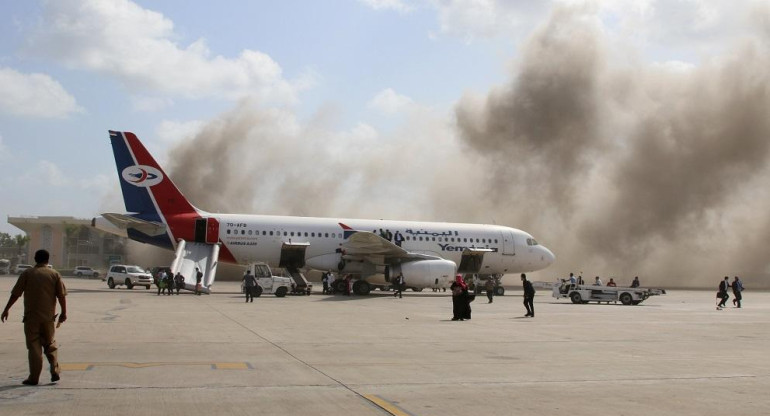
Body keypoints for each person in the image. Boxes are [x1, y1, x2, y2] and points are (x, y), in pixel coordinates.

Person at [1, 249, 67, 386]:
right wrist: (63, 313)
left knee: (34, 346)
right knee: (50, 344)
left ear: (35, 259)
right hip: (48, 317)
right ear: (48, 260)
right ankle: (54, 369)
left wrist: (6, 309)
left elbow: (16, 294)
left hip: (31, 317)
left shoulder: (28, 273)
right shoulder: (54, 274)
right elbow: (61, 295)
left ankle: (34, 377)